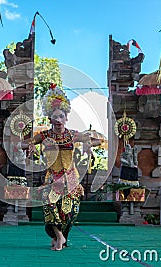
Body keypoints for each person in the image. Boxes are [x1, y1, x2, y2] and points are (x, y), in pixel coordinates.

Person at [18, 84, 102, 251]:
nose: (58, 120)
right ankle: (58, 235)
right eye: (54, 117)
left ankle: (61, 237)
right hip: (52, 176)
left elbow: (98, 140)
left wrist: (88, 145)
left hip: (70, 177)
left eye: (61, 116)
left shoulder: (72, 134)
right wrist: (30, 146)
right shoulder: (45, 135)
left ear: (66, 118)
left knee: (69, 211)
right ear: (50, 119)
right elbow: (22, 144)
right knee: (49, 204)